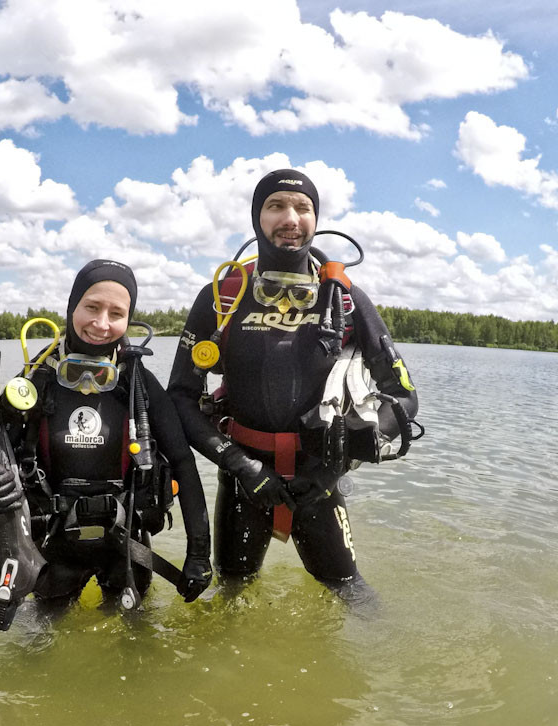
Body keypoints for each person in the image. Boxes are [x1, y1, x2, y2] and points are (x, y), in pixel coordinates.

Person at [167, 169, 420, 601]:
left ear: (315, 219)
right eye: (276, 206)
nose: (291, 217)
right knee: (230, 596)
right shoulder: (223, 295)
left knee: (353, 596)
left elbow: (403, 398)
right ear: (256, 218)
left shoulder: (344, 297)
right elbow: (180, 399)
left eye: (303, 208)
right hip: (245, 481)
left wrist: (332, 470)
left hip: (318, 482)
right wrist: (241, 466)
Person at [0, 259, 212, 608]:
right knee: (42, 646)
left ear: (129, 319)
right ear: (73, 306)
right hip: (51, 551)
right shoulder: (33, 384)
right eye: (91, 307)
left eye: (116, 313)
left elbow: (183, 462)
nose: (102, 324)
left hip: (127, 550)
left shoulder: (140, 386)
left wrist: (199, 553)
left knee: (139, 649)